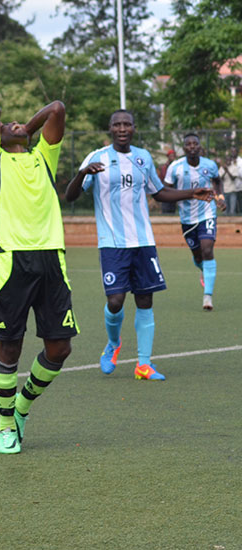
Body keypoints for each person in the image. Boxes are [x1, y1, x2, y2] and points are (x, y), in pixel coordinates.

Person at [65, 110, 213, 382]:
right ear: (110, 128)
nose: (122, 128)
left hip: (143, 241)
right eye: (117, 124)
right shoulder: (96, 157)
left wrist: (192, 192)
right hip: (111, 244)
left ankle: (143, 365)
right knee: (115, 300)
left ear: (134, 128)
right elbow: (70, 195)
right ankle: (113, 343)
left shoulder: (143, 157)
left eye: (127, 124)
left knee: (145, 300)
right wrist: (82, 173)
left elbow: (159, 193)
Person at [0, 99, 78, 455]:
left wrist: (25, 131)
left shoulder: (43, 156)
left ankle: (21, 406)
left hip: (52, 257)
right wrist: (7, 128)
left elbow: (57, 109)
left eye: (22, 123)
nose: (16, 123)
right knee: (11, 345)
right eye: (11, 124)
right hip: (11, 260)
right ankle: (5, 424)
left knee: (60, 348)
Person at [164, 133, 225, 311]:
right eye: (188, 144)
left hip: (207, 214)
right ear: (183, 149)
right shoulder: (175, 167)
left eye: (195, 144)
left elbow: (217, 181)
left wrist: (219, 197)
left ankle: (208, 297)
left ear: (200, 147)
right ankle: (203, 270)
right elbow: (166, 189)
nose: (192, 146)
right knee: (198, 256)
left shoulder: (210, 165)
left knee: (207, 249)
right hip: (187, 218)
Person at [219, 152, 240, 216]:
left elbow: (233, 178)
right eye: (227, 160)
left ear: (231, 160)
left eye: (229, 160)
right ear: (225, 161)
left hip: (232, 191)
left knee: (232, 211)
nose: (228, 161)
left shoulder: (234, 167)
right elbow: (220, 179)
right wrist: (225, 171)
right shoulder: (222, 168)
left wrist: (227, 170)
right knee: (225, 211)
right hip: (224, 191)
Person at [157, 149, 177, 213]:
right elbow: (163, 177)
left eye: (173, 156)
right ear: (168, 157)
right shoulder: (165, 167)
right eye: (171, 156)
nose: (172, 158)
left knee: (172, 206)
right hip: (166, 188)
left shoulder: (176, 166)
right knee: (166, 205)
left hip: (173, 189)